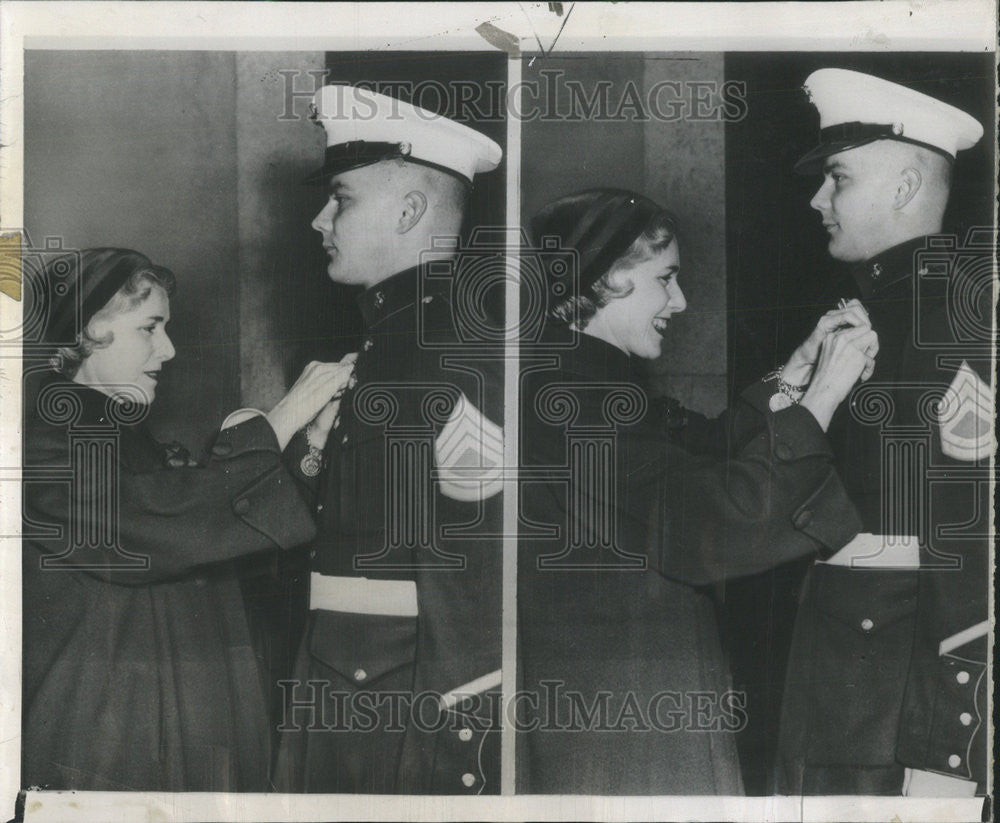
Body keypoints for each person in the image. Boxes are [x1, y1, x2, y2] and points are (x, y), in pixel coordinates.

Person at [516, 188, 880, 794]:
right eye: (666, 279)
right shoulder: (572, 400)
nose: (680, 302)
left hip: (624, 701)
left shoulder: (578, 379)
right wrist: (823, 397)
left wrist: (796, 372)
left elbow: (699, 450)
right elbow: (708, 520)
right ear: (607, 279)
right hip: (622, 725)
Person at [22, 248, 354, 791]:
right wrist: (279, 420)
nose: (168, 350)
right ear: (85, 331)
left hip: (156, 726)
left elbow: (211, 534)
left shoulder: (123, 438)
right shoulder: (41, 441)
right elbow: (160, 522)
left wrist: (310, 440)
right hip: (103, 738)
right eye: (150, 328)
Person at [274, 86, 505, 794]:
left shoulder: (455, 347)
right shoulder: (392, 340)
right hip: (353, 680)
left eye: (340, 198)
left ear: (410, 210)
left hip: (405, 702)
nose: (320, 219)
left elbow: (481, 562)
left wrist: (465, 717)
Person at [776, 69, 992, 796]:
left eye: (837, 177)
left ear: (903, 187)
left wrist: (952, 744)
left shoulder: (949, 317)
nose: (816, 200)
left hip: (897, 717)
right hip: (848, 698)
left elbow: (967, 535)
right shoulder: (882, 307)